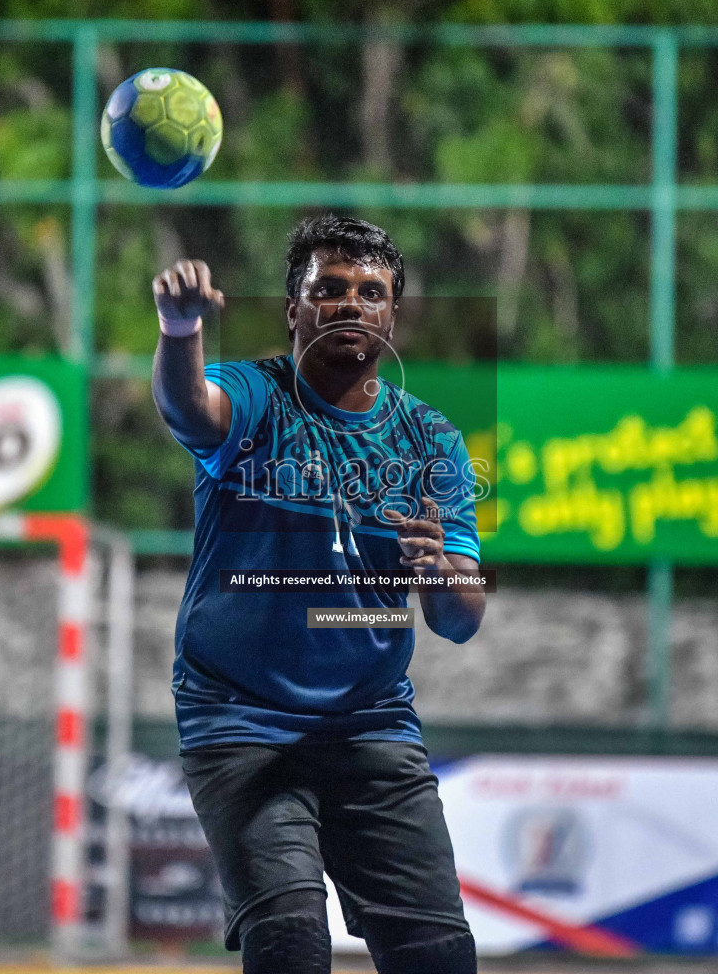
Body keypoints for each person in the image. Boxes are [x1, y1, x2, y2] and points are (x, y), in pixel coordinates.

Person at [151, 214, 485, 974]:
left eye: (371, 292)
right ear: (292, 309)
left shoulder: (431, 441)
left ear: (393, 316)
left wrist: (442, 576)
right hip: (241, 719)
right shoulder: (256, 396)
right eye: (328, 289)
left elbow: (460, 622)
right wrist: (179, 331)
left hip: (369, 722)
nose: (350, 305)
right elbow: (189, 407)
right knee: (292, 946)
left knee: (440, 956)